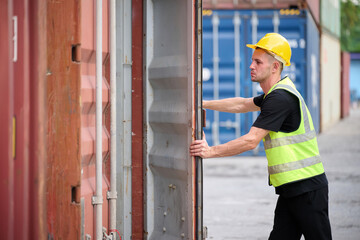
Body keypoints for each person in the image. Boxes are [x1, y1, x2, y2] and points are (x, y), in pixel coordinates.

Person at [190, 33, 332, 240]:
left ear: (275, 67)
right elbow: (241, 104)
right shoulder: (272, 95)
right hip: (292, 189)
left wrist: (210, 151)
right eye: (251, 60)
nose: (251, 66)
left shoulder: (280, 98)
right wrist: (203, 103)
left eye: (258, 61)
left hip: (307, 189)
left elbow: (251, 140)